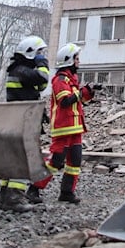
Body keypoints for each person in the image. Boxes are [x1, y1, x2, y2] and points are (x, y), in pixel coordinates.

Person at [30, 43, 100, 204]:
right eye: (76, 59)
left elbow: (79, 100)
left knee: (74, 162)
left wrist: (89, 91)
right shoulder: (60, 80)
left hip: (74, 129)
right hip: (63, 129)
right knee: (56, 161)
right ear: (69, 60)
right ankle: (34, 188)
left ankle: (67, 192)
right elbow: (65, 101)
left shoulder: (71, 79)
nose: (78, 62)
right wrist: (81, 91)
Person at [0, 36, 50, 212]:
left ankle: (6, 195)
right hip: (23, 122)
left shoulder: (19, 71)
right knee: (23, 159)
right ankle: (14, 198)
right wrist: (43, 63)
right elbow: (43, 78)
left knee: (14, 158)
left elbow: (40, 87)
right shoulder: (21, 71)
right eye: (39, 53)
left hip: (18, 121)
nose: (41, 56)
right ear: (30, 53)